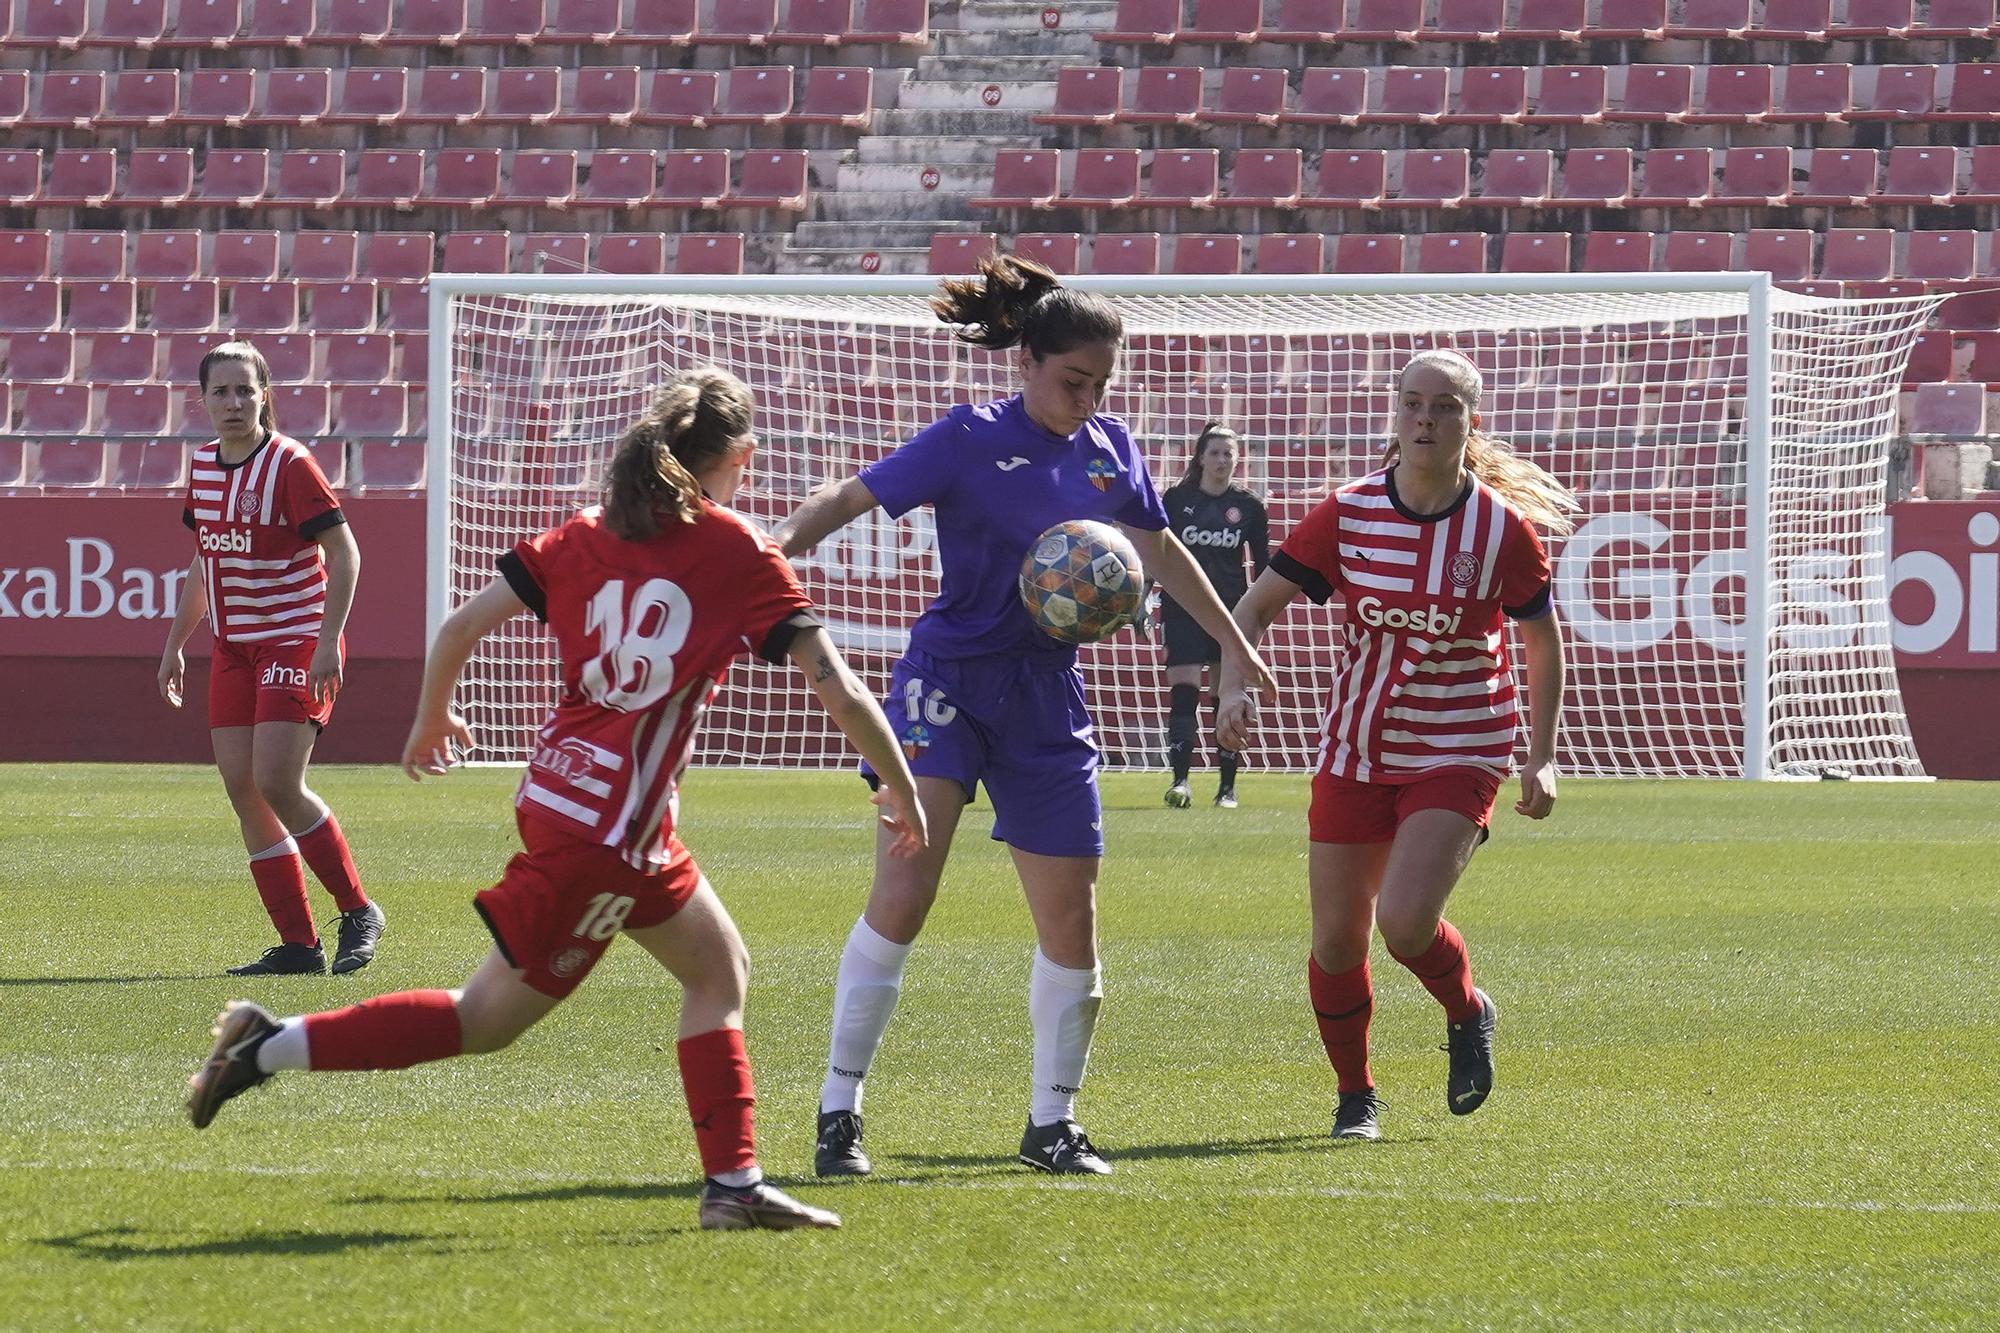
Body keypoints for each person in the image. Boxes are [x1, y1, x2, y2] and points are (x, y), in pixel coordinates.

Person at [186, 368, 929, 1232]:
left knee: (719, 967)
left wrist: (431, 718)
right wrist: (903, 786)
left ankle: (732, 1183)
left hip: (572, 798)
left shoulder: (587, 531)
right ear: (738, 458)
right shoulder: (736, 548)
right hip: (608, 831)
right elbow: (836, 684)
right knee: (485, 1019)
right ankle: (263, 1045)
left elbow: (459, 626)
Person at [775, 254, 1277, 1179]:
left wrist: (1235, 647)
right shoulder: (965, 438)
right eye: (1071, 380)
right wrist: (768, 555)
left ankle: (1054, 1122)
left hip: (1046, 695)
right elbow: (847, 498)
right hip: (947, 684)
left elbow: (1162, 559)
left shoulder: (1112, 449)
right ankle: (838, 1110)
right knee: (906, 886)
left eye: (1100, 384)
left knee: (1072, 918)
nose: (1086, 399)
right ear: (1025, 362)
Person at [1218, 349, 1572, 1143]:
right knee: (1338, 940)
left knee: (1406, 923)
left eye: (1444, 406)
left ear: (1468, 420)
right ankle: (1356, 1096)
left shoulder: (1499, 529)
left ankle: (1467, 1008)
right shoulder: (1346, 513)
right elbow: (1251, 610)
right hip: (1358, 745)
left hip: (1461, 741)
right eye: (1412, 402)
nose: (1424, 418)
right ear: (1395, 412)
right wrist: (1233, 685)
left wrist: (1540, 752)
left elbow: (1542, 642)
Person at [157, 341, 385, 977]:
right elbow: (205, 562)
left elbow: (346, 555)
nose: (233, 403)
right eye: (220, 392)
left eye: (244, 391)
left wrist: (324, 643)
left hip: (294, 636)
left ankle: (358, 909)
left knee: (278, 781)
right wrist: (176, 643)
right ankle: (298, 945)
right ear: (201, 401)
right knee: (244, 790)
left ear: (265, 396)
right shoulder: (202, 467)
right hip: (233, 648)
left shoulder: (290, 463)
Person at [1155, 422, 1269, 810]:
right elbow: (1158, 554)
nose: (1222, 460)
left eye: (1229, 454)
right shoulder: (1176, 499)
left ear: (1237, 460)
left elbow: (1264, 566)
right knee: (1184, 691)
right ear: (1200, 457)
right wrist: (1143, 598)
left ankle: (1227, 789)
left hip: (1230, 612)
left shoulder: (1250, 507)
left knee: (1227, 695)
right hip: (1181, 607)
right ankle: (1181, 782)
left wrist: (1260, 615)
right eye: (1215, 453)